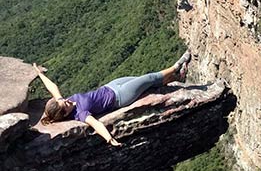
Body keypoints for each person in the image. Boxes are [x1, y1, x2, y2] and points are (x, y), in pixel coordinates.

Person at [34, 51, 191, 146]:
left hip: (112, 86)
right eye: (65, 105)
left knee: (149, 84)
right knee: (148, 78)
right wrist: (109, 139)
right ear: (65, 113)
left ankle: (179, 77)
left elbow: (52, 87)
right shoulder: (79, 113)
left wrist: (39, 73)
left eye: (64, 100)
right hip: (121, 97)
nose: (67, 101)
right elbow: (96, 124)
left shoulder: (62, 102)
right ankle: (177, 66)